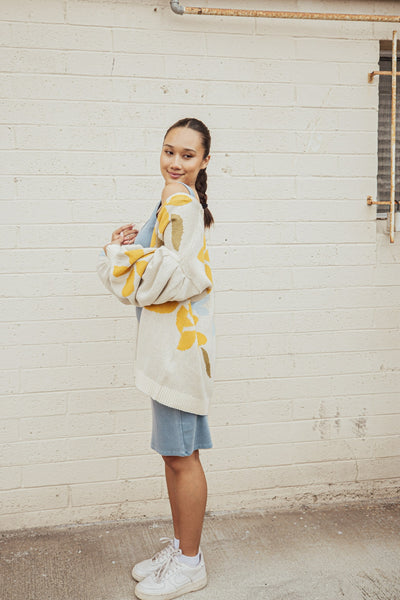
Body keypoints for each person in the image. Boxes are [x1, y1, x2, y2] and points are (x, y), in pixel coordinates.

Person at [97, 118, 215, 600]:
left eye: (188, 155)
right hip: (174, 348)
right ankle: (183, 548)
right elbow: (159, 265)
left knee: (182, 457)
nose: (175, 162)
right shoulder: (173, 199)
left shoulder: (181, 200)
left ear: (205, 161)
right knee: (176, 453)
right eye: (169, 151)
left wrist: (118, 257)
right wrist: (130, 247)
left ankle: (190, 563)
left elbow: (180, 275)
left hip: (177, 354)